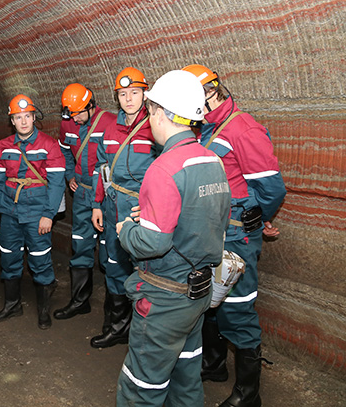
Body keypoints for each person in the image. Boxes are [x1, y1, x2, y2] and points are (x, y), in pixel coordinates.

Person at [115, 70, 230, 407]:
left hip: (165, 299)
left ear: (160, 114)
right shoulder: (212, 160)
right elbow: (211, 218)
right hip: (197, 295)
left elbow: (153, 244)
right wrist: (154, 216)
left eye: (150, 111)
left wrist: (127, 230)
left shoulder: (164, 168)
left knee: (142, 387)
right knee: (185, 380)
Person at [183, 64, 286, 407]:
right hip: (211, 230)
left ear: (211, 93)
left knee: (238, 308)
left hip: (235, 234)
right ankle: (214, 365)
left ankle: (248, 393)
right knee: (210, 301)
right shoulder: (204, 128)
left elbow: (270, 187)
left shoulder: (242, 128)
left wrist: (256, 217)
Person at [90, 67, 156, 348]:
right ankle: (117, 327)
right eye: (123, 94)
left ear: (145, 94)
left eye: (134, 93)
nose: (129, 99)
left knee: (144, 271)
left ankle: (144, 333)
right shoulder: (109, 129)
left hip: (142, 211)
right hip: (112, 206)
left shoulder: (155, 127)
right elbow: (101, 168)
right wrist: (96, 204)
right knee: (114, 265)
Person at [0, 95, 66, 330]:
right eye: (18, 117)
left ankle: (43, 309)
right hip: (9, 211)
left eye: (27, 116)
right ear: (12, 121)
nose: (23, 122)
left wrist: (48, 215)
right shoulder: (4, 145)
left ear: (33, 118)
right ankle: (12, 305)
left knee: (40, 259)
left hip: (37, 213)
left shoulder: (49, 144)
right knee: (8, 256)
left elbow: (57, 184)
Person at [55, 83, 117, 321]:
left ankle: (114, 312)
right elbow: (63, 151)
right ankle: (80, 301)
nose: (75, 118)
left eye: (79, 113)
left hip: (106, 195)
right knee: (80, 244)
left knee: (110, 250)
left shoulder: (109, 122)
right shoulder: (67, 123)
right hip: (82, 193)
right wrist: (70, 174)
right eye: (71, 114)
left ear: (91, 105)